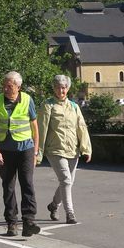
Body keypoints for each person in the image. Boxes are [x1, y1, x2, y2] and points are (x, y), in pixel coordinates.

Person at [0, 71, 41, 237]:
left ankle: (29, 221)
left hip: (25, 149)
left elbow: (35, 129)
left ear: (18, 87)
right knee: (8, 187)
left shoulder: (27, 100)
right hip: (5, 151)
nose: (5, 88)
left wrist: (35, 151)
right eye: (4, 85)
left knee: (27, 184)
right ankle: (11, 223)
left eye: (9, 86)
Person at [37, 75, 92, 225]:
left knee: (67, 182)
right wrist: (38, 153)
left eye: (63, 87)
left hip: (73, 149)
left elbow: (81, 127)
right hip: (55, 149)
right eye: (58, 87)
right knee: (66, 180)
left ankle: (53, 205)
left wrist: (86, 148)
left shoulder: (74, 106)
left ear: (67, 88)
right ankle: (70, 214)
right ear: (54, 88)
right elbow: (41, 130)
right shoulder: (48, 105)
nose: (61, 90)